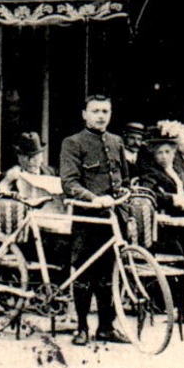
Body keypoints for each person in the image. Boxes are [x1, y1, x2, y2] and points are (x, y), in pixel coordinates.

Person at [60, 95, 129, 346]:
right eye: (96, 111)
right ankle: (81, 327)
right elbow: (69, 182)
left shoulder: (116, 141)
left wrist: (125, 196)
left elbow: (123, 179)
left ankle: (106, 327)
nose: (101, 116)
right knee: (84, 273)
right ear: (84, 114)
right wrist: (93, 198)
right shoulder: (73, 143)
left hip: (113, 218)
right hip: (87, 217)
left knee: (109, 274)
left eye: (106, 111)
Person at [135, 124, 184, 214]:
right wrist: (171, 198)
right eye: (160, 153)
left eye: (167, 152)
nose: (164, 157)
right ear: (154, 155)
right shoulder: (151, 172)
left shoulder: (178, 170)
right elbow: (148, 194)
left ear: (174, 152)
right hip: (165, 216)